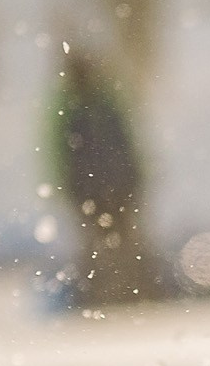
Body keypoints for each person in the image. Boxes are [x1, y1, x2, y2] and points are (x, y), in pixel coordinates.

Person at [46, 44, 157, 306]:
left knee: (115, 246)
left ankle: (124, 294)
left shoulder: (85, 104)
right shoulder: (90, 104)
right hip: (100, 188)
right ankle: (117, 295)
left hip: (106, 188)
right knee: (113, 246)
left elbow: (127, 142)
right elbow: (128, 142)